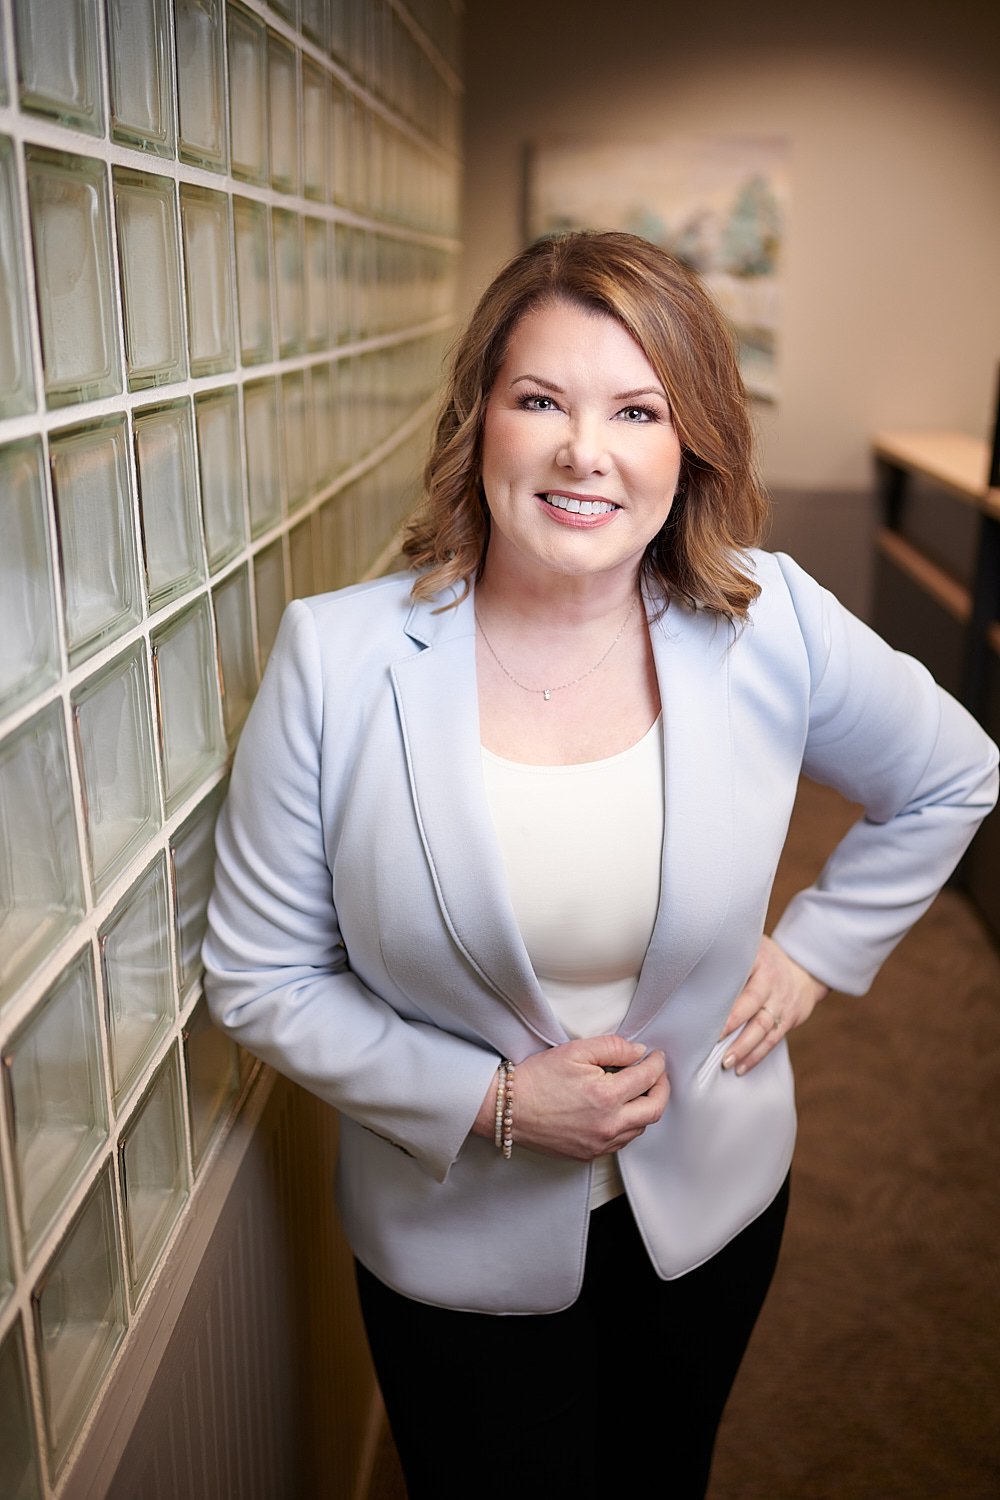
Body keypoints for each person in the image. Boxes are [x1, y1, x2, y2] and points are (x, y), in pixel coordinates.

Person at [203, 230, 998, 1499]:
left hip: (712, 1208)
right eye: (541, 402)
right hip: (451, 1236)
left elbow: (952, 773)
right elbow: (259, 976)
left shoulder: (766, 616)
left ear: (689, 444)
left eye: (638, 409)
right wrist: (497, 1103)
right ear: (480, 424)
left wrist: (811, 955)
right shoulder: (337, 661)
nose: (587, 451)